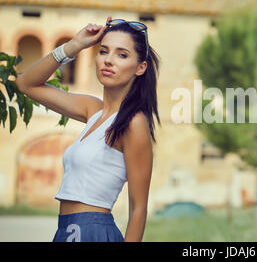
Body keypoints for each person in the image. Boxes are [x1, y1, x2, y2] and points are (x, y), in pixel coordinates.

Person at [15, 16, 160, 242]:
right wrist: (75, 45)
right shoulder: (92, 109)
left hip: (95, 232)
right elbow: (26, 84)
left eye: (122, 55)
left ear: (140, 67)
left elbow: (138, 209)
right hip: (65, 231)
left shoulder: (134, 123)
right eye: (103, 51)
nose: (108, 60)